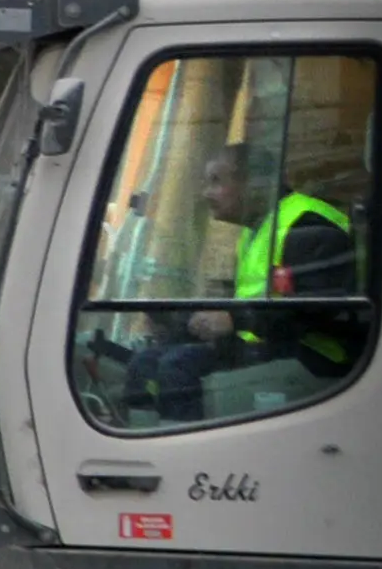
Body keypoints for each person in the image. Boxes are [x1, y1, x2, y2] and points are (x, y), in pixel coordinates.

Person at [147, 142, 364, 420]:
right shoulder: (255, 231)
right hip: (268, 350)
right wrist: (181, 321)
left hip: (315, 364)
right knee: (149, 361)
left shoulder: (307, 226)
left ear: (255, 184)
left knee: (179, 368)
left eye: (216, 181)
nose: (206, 193)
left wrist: (237, 319)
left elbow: (322, 311)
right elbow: (249, 305)